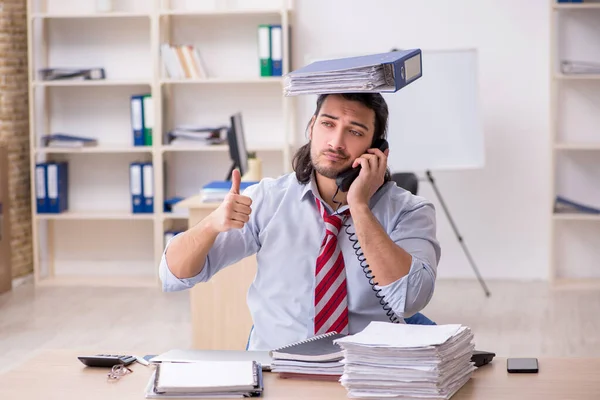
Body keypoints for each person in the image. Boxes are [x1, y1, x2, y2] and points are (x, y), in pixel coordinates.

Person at [159, 92, 441, 351]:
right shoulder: (269, 199)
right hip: (277, 368)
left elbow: (409, 299)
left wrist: (359, 207)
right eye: (328, 124)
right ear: (311, 126)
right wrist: (210, 225)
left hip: (366, 371)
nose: (336, 142)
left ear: (377, 150)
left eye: (355, 131)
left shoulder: (411, 211)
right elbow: (172, 275)